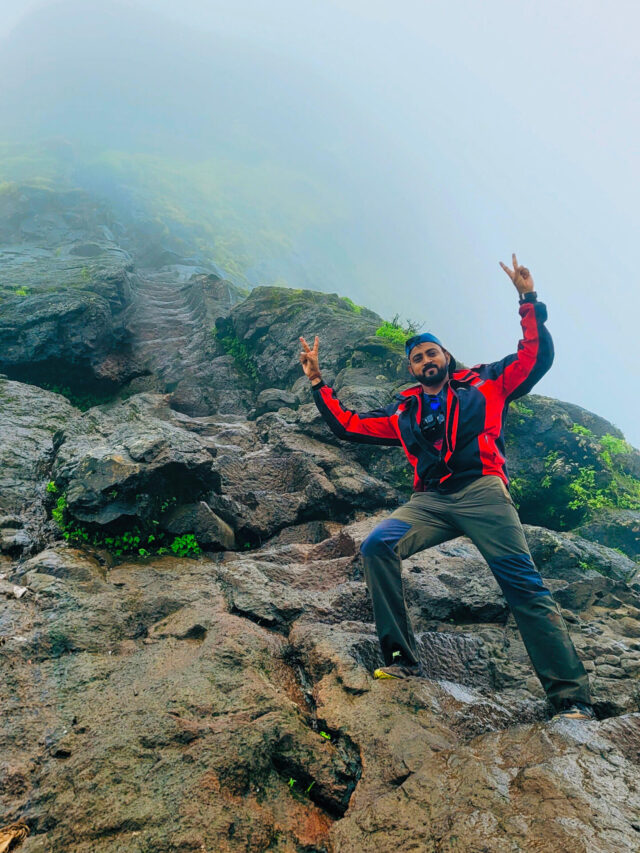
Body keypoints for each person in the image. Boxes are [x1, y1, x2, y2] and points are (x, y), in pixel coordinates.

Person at [299, 255, 594, 721]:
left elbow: (536, 357)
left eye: (431, 353)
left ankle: (570, 698)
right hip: (430, 502)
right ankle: (401, 660)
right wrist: (318, 382)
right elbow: (348, 426)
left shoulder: (487, 381)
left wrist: (527, 300)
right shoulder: (404, 412)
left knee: (523, 585)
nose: (425, 361)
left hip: (483, 493)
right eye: (416, 358)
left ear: (445, 356)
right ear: (412, 369)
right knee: (377, 545)